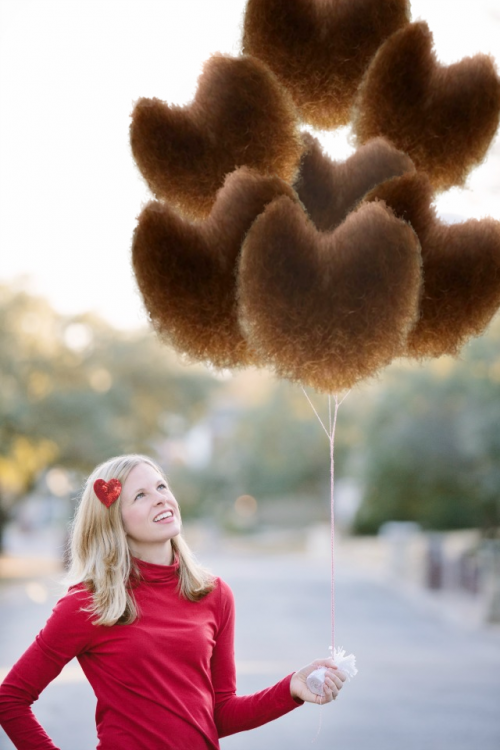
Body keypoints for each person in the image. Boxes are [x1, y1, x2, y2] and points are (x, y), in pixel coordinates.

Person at [0, 454, 345, 749]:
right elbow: (10, 699)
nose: (161, 499)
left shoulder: (214, 594)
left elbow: (219, 714)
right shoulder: (89, 603)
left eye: (161, 487)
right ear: (114, 521)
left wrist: (292, 689)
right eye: (140, 496)